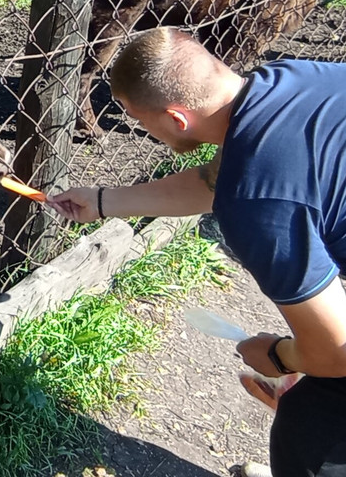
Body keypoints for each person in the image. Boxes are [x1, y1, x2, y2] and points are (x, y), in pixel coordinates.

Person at [48, 27, 346, 477]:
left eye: (138, 119)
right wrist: (106, 200)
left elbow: (337, 351)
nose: (140, 129)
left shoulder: (256, 207)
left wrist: (281, 356)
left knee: (309, 427)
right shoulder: (293, 79)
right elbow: (216, 178)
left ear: (176, 119)